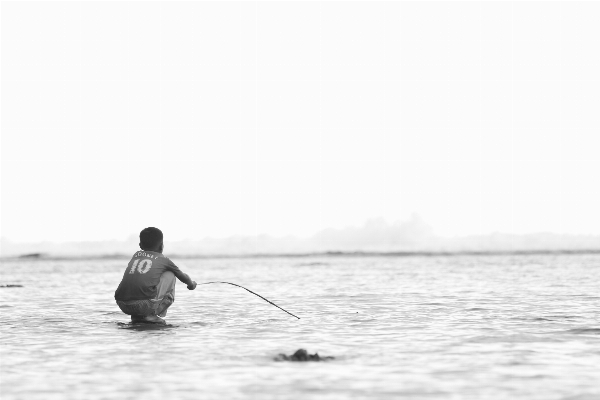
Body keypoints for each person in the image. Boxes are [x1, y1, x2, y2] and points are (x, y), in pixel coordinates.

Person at [114, 227, 197, 324]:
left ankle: (137, 317)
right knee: (170, 273)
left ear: (140, 245)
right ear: (162, 246)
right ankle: (150, 315)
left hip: (122, 304)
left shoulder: (136, 256)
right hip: (144, 305)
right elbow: (183, 277)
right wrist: (191, 284)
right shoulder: (163, 260)